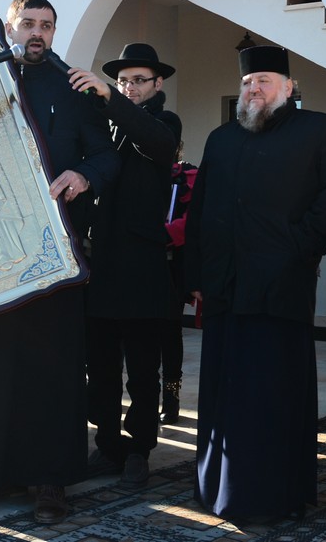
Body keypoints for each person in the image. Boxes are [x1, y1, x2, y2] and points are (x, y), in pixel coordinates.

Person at [0, 0, 119, 523]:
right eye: (28, 24)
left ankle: (50, 480)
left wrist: (85, 176)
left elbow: (104, 156)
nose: (37, 33)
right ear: (8, 27)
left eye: (47, 25)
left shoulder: (74, 90)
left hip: (51, 253)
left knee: (51, 369)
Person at [185, 44, 326, 521]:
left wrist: (299, 245)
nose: (252, 89)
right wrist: (196, 274)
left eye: (262, 80)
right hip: (224, 287)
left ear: (288, 87)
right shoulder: (221, 138)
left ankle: (270, 494)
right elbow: (201, 211)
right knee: (223, 393)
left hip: (280, 285)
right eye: (246, 82)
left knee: (270, 393)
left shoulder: (320, 130)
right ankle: (217, 487)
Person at [69, 42, 181, 485]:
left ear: (157, 85)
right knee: (100, 367)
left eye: (139, 80)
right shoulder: (106, 124)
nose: (130, 87)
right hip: (102, 266)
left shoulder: (162, 122)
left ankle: (139, 449)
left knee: (141, 368)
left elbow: (156, 143)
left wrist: (111, 99)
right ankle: (108, 445)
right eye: (123, 80)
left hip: (142, 268)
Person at [160, 146, 197, 424]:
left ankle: (171, 401)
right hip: (137, 265)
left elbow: (192, 221)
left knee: (170, 337)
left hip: (171, 268)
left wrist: (159, 235)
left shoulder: (188, 176)